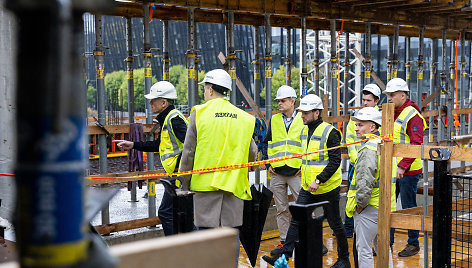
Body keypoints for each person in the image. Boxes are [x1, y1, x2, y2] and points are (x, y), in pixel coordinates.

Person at [263, 94, 350, 268]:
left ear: (316, 113)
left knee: (335, 224)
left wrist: (319, 180)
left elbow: (334, 161)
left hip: (327, 188)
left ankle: (344, 259)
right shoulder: (304, 130)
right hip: (307, 187)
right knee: (296, 220)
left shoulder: (330, 132)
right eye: (301, 112)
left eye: (305, 113)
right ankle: (283, 257)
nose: (301, 115)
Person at [179, 69, 257, 231]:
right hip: (234, 184)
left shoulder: (199, 113)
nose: (205, 93)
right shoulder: (244, 118)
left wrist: (184, 183)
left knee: (208, 235)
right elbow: (252, 152)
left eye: (205, 89)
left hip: (205, 185)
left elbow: (188, 152)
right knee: (230, 234)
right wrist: (250, 165)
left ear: (211, 90)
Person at [117, 81, 188, 236]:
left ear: (163, 102)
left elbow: (192, 145)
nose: (150, 103)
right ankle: (185, 247)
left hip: (178, 176)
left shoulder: (174, 119)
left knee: (165, 213)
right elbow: (159, 145)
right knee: (178, 213)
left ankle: (178, 247)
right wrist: (133, 145)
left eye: (153, 100)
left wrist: (179, 166)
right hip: (175, 175)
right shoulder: (168, 118)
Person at [345, 107, 396, 268]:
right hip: (384, 204)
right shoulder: (383, 144)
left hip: (369, 207)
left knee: (364, 250)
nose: (356, 128)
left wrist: (360, 205)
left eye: (360, 124)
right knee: (383, 247)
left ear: (372, 127)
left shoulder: (369, 149)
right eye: (356, 124)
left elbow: (364, 182)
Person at [385, 78, 427, 257]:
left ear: (403, 95)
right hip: (392, 169)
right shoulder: (392, 112)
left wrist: (402, 166)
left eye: (392, 95)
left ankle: (413, 244)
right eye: (388, 95)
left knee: (408, 207)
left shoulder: (412, 115)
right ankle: (386, 242)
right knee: (388, 206)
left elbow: (416, 144)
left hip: (408, 171)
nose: (389, 99)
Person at [262, 85, 303, 253]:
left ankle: (309, 238)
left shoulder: (303, 118)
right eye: (278, 101)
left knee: (303, 207)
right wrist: (268, 164)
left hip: (296, 172)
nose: (279, 103)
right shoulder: (275, 120)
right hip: (277, 172)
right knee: (281, 210)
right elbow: (266, 143)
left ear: (292, 102)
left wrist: (304, 164)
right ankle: (285, 241)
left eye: (283, 100)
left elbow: (310, 144)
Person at [344, 84, 381, 237]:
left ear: (376, 100)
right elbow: (349, 139)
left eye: (369, 100)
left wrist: (361, 205)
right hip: (357, 162)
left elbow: (367, 181)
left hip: (366, 162)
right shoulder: (358, 117)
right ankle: (349, 228)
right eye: (364, 99)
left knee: (364, 248)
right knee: (351, 192)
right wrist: (356, 158)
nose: (365, 102)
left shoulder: (380, 119)